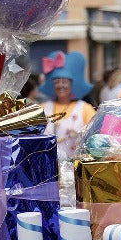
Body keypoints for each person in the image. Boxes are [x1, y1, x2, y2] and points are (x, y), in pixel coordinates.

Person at [40, 52, 94, 203]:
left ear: (72, 84)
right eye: (57, 81)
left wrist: (80, 135)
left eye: (64, 81)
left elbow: (96, 137)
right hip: (49, 172)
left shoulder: (85, 108)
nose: (60, 85)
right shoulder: (43, 108)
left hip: (77, 173)